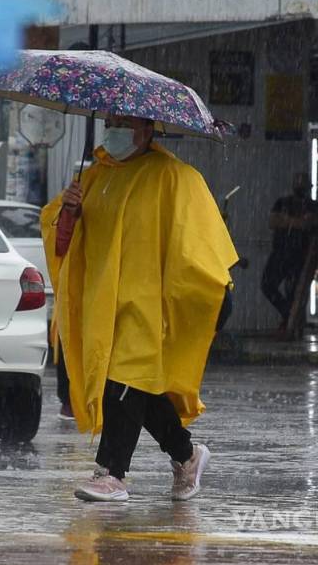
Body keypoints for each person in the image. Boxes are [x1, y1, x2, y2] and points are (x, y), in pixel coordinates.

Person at [42, 115, 237, 503]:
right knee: (138, 388)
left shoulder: (175, 177)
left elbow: (196, 243)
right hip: (104, 304)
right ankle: (186, 456)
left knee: (125, 379)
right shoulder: (96, 176)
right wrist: (69, 212)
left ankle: (111, 473)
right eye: (110, 121)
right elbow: (64, 241)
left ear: (146, 130)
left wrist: (195, 298)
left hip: (150, 304)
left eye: (122, 123)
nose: (112, 130)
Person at [261, 172, 318, 329]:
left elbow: (307, 224)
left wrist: (286, 221)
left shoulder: (312, 205)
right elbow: (273, 222)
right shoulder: (283, 202)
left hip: (299, 255)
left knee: (293, 292)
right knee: (267, 285)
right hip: (280, 252)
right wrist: (295, 222)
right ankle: (288, 315)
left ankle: (291, 321)